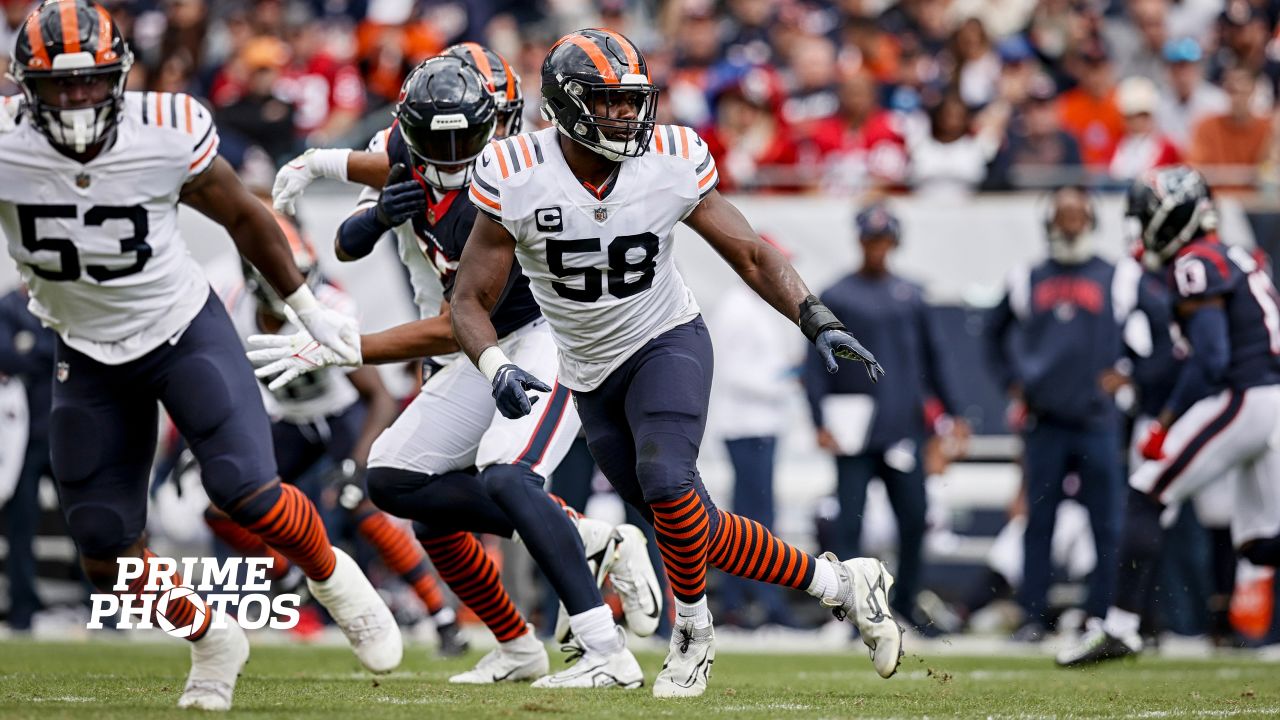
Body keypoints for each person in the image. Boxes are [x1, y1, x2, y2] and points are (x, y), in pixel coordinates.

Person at [448, 29, 902, 698]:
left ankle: (693, 634)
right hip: (588, 370)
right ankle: (843, 582)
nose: (628, 116)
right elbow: (468, 297)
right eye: (610, 104)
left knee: (666, 480)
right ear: (569, 107)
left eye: (633, 102)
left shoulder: (672, 156)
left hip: (666, 338)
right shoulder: (514, 171)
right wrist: (494, 365)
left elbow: (749, 253)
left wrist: (816, 317)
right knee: (690, 525)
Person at [0, 2, 399, 710]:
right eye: (60, 86)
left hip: (181, 327)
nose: (78, 99)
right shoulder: (8, 145)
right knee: (102, 547)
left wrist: (307, 311)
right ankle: (211, 638)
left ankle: (333, 575)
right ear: (26, 86)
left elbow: (247, 215)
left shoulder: (164, 131)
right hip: (87, 351)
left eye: (91, 82)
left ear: (118, 77)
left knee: (245, 488)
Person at [259, 48, 662, 688]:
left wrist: (351, 345)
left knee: (507, 476)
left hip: (532, 334)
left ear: (504, 122)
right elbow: (388, 182)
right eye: (433, 142)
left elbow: (464, 317)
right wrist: (327, 167)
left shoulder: (507, 180)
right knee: (398, 481)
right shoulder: (428, 146)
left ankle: (602, 644)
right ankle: (526, 632)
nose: (452, 159)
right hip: (466, 341)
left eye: (474, 133)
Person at [213, 216, 468, 656]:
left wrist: (357, 462)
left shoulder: (327, 309)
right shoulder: (233, 309)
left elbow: (380, 398)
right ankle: (289, 576)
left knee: (359, 501)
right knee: (224, 503)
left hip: (342, 414)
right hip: (291, 419)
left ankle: (441, 617)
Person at [1058, 166, 1280, 666]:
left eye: (1145, 216)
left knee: (1147, 490)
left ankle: (1120, 627)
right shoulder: (1240, 255)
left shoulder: (1195, 261)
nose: (1140, 229)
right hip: (1270, 400)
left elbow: (1211, 358)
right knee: (1262, 545)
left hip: (1244, 398)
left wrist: (1168, 420)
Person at [986, 186, 1154, 640]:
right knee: (1037, 522)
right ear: (1049, 220)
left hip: (1098, 419)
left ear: (1092, 219)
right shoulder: (1027, 275)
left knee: (1107, 523)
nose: (1070, 222)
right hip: (1045, 419)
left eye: (1078, 214)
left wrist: (1131, 372)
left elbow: (1159, 324)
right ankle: (1031, 615)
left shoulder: (1118, 275)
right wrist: (1012, 382)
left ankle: (1101, 613)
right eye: (1063, 214)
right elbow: (991, 333)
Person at [803, 203, 966, 631]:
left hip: (902, 429)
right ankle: (845, 610)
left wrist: (954, 414)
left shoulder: (910, 296)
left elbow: (935, 360)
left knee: (914, 518)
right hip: (852, 430)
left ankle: (906, 603)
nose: (877, 248)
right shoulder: (837, 295)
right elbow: (814, 364)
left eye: (884, 240)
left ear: (893, 242)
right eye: (870, 239)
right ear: (860, 241)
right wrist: (818, 419)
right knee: (848, 523)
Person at [707, 235, 804, 629]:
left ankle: (747, 599)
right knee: (754, 514)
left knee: (753, 513)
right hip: (745, 424)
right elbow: (732, 370)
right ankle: (756, 600)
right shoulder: (736, 309)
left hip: (759, 421)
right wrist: (784, 380)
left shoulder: (753, 305)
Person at [0, 285, 55, 632]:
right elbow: (5, 354)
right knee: (20, 528)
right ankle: (22, 611)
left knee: (89, 525)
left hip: (68, 434)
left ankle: (102, 612)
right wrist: (46, 354)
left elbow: (74, 350)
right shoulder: (9, 305)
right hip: (21, 439)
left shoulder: (64, 300)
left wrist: (32, 350)